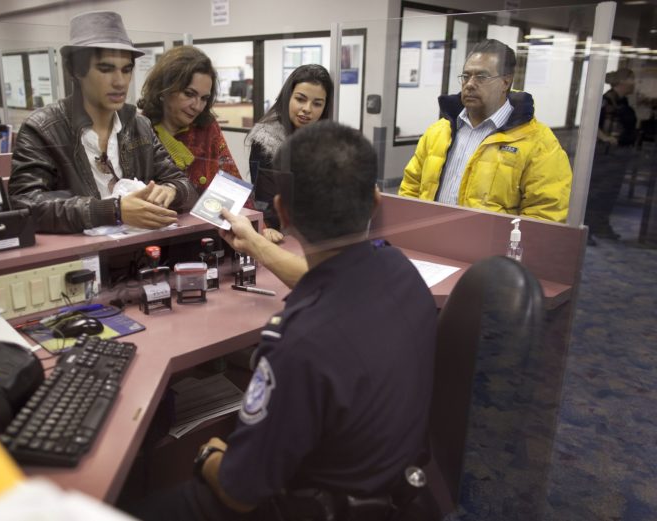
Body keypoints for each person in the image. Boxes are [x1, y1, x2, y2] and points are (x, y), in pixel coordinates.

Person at [129, 121, 437, 521]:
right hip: (396, 492)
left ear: (282, 213)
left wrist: (208, 453)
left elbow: (240, 495)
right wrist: (255, 243)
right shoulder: (400, 270)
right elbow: (332, 281)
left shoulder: (299, 342)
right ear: (377, 201)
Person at [9, 11, 196, 234]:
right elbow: (26, 205)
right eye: (106, 69)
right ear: (75, 70)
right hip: (81, 259)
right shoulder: (42, 129)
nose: (120, 82)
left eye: (126, 70)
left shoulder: (139, 126)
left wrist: (171, 190)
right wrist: (112, 210)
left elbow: (184, 184)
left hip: (140, 252)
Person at [398, 39, 572, 223]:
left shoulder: (539, 142)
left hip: (492, 249)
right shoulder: (438, 132)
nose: (470, 84)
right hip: (429, 242)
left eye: (481, 77)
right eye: (466, 76)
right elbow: (411, 187)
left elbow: (545, 213)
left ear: (505, 82)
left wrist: (502, 248)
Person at [137, 46, 246, 197]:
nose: (197, 107)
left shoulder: (207, 128)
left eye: (204, 98)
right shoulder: (139, 129)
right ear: (164, 89)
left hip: (209, 219)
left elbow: (232, 186)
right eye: (189, 94)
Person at [247, 64, 334, 242]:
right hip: (282, 234)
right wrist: (267, 227)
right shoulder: (267, 139)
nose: (307, 109)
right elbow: (264, 197)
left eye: (317, 103)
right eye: (301, 99)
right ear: (288, 97)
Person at [584, 68, 637, 245]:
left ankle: (601, 225)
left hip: (619, 155)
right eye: (631, 79)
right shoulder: (606, 101)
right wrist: (606, 138)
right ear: (623, 81)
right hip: (606, 156)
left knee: (609, 193)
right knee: (597, 192)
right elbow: (590, 123)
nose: (634, 83)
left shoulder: (622, 102)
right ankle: (587, 229)